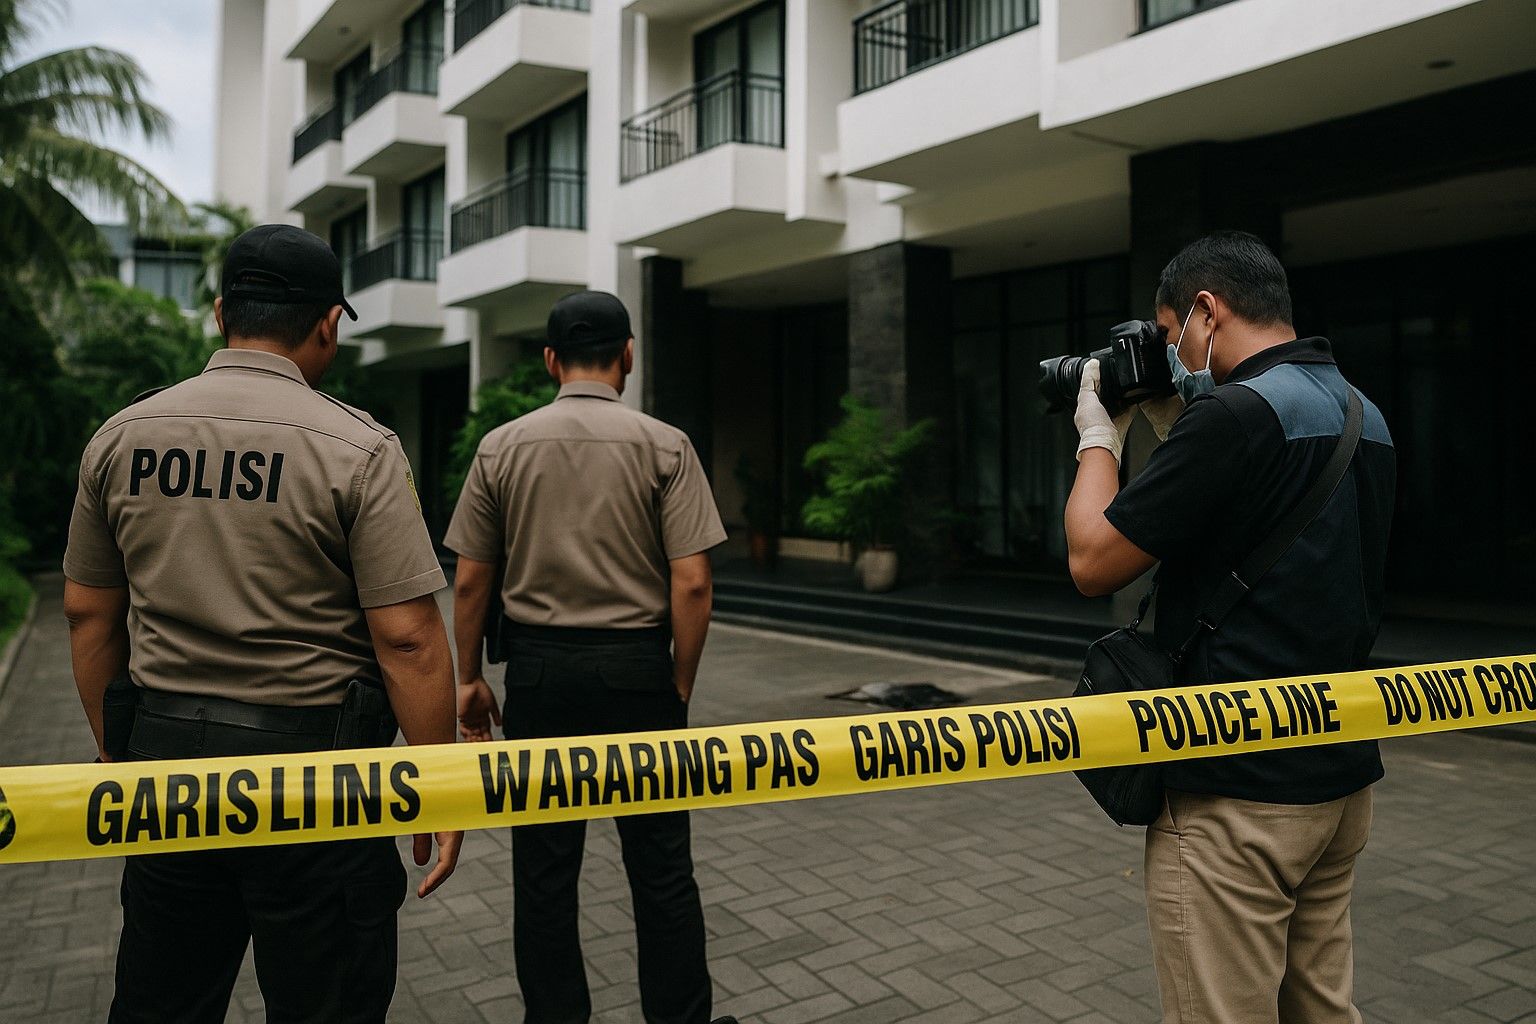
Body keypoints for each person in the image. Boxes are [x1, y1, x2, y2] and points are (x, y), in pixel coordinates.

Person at [62, 224, 463, 1024]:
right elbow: (410, 639)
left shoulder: (121, 437)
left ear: (220, 313)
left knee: (163, 1003)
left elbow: (87, 612)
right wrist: (441, 787)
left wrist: (116, 750)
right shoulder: (359, 448)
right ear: (329, 324)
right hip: (320, 787)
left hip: (166, 776)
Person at [1063, 231, 1396, 1024]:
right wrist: (1180, 420)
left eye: (1170, 330)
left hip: (1235, 791)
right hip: (1338, 776)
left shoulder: (1235, 415)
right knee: (1323, 1010)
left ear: (1206, 311)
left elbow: (1092, 560)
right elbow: (1262, 518)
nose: (1172, 352)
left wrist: (1098, 436)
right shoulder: (1364, 411)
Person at [445, 291, 736, 1024]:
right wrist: (678, 683)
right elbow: (693, 583)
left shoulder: (502, 447)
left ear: (550, 360)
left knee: (544, 874)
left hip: (539, 677)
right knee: (661, 868)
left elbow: (471, 579)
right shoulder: (666, 445)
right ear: (628, 355)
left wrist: (468, 677)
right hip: (638, 673)